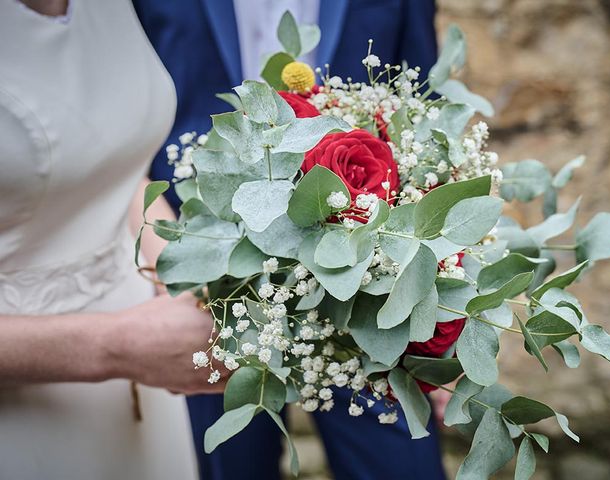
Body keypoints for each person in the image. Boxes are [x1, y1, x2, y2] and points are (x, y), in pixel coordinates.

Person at [133, 1, 447, 479]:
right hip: (207, 276)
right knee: (226, 467)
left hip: (364, 278)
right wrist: (166, 258)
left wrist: (439, 314)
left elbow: (425, 113)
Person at [0, 1, 227, 478]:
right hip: (25, 409)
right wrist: (115, 345)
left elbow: (112, 167)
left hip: (146, 362)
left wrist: (183, 269)